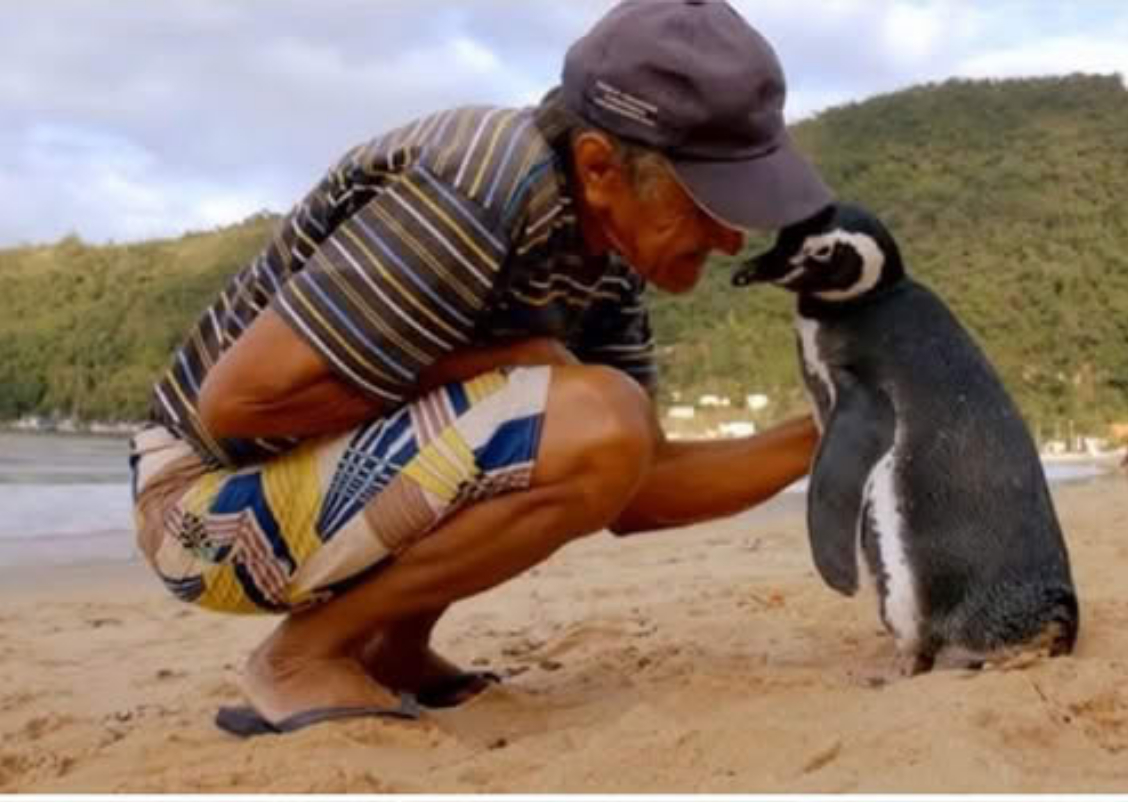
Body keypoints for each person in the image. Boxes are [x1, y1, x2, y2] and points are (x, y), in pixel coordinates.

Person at [130, 0, 833, 737]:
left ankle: (392, 649)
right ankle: (304, 655)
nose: (731, 238)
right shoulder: (479, 183)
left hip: (294, 494)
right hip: (198, 510)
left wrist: (825, 434)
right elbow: (237, 407)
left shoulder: (609, 263)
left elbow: (632, 487)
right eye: (709, 203)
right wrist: (507, 362)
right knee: (587, 412)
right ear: (599, 166)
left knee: (594, 420)